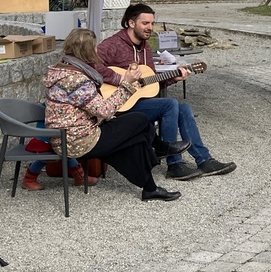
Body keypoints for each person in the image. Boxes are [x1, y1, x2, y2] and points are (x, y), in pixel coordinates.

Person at [97, 4, 236, 181]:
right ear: (131, 23)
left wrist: (173, 78)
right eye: (145, 23)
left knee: (184, 108)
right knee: (170, 104)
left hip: (136, 102)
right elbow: (90, 65)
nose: (150, 27)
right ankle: (174, 163)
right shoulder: (113, 44)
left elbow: (150, 84)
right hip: (117, 104)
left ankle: (204, 160)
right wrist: (122, 79)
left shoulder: (145, 48)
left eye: (152, 23)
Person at [44, 28, 187, 202]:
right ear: (86, 51)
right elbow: (104, 110)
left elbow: (91, 109)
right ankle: (161, 150)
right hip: (78, 140)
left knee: (135, 134)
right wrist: (127, 84)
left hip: (70, 136)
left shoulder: (62, 70)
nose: (97, 50)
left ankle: (151, 186)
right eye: (94, 47)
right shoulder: (76, 80)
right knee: (139, 121)